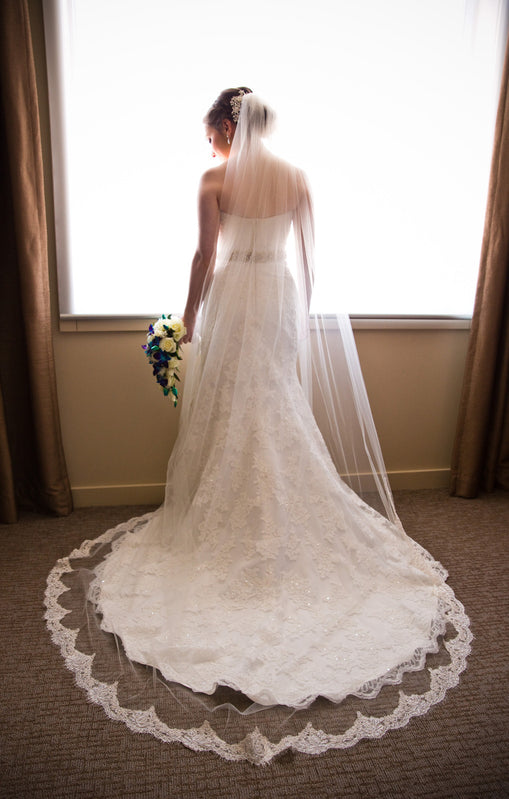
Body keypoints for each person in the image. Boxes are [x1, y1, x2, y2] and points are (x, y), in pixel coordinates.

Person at [45, 88, 471, 763]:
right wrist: (295, 314)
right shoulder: (297, 177)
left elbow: (202, 257)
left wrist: (183, 321)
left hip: (237, 294)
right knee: (273, 402)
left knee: (235, 407)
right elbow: (311, 259)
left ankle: (236, 520)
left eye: (210, 130)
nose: (209, 143)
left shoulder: (215, 177)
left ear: (223, 125)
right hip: (276, 294)